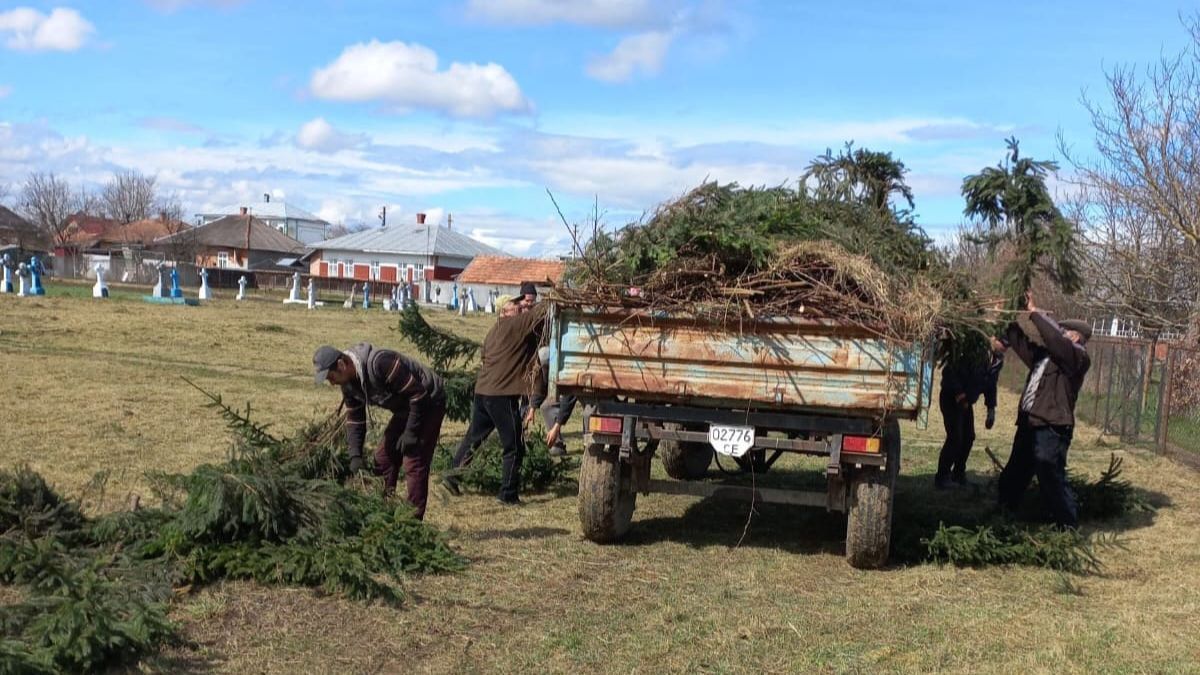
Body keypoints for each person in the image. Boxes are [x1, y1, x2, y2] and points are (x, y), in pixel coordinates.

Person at [312, 343, 446, 520]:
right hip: (406, 408)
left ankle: (412, 522)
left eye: (331, 377)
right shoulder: (349, 385)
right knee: (383, 459)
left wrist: (411, 433)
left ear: (341, 365)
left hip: (429, 401)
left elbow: (418, 396)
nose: (331, 383)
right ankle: (382, 512)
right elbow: (355, 419)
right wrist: (355, 455)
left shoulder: (381, 363)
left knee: (413, 461)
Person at [998, 291, 1092, 528]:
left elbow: (1055, 341)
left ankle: (1067, 524)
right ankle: (1004, 512)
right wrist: (1004, 318)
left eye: (1065, 331)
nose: (1060, 333)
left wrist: (1034, 312)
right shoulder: (1045, 357)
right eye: (1060, 330)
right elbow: (1021, 344)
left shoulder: (1077, 357)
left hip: (1052, 427)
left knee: (1050, 474)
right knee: (1015, 472)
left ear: (1077, 337)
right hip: (1030, 423)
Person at [447, 294, 548, 504]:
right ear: (504, 311)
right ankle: (508, 494)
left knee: (473, 439)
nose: (521, 308)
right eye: (515, 306)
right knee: (514, 445)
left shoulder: (493, 331)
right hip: (500, 395)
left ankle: (452, 476)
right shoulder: (514, 325)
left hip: (483, 392)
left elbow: (485, 357)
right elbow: (539, 312)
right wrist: (553, 296)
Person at [934, 336, 1006, 489]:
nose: (1005, 347)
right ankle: (942, 478)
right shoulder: (974, 352)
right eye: (1002, 342)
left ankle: (958, 475)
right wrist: (959, 394)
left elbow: (991, 386)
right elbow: (949, 371)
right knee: (955, 437)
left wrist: (991, 409)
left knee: (969, 437)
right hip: (951, 398)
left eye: (1008, 345)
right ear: (993, 339)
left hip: (967, 402)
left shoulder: (998, 362)